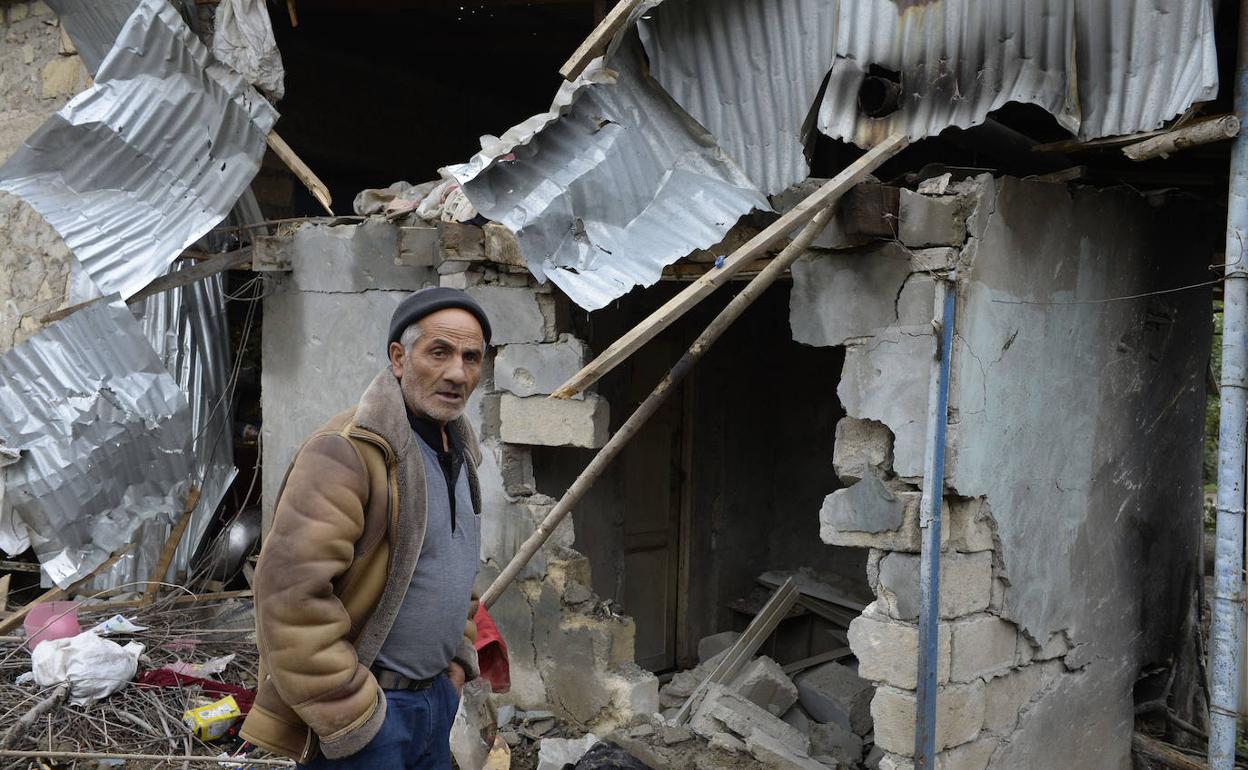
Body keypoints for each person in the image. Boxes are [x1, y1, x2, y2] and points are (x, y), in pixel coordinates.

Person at [240, 287, 491, 769]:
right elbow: (290, 599)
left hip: (434, 704)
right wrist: (352, 712)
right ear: (399, 358)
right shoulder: (348, 452)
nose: (457, 373)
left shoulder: (458, 453)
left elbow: (453, 573)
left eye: (471, 357)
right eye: (439, 352)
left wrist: (458, 664)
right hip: (374, 717)